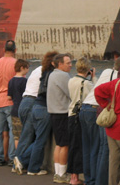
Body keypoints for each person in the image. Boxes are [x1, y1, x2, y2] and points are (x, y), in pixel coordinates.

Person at [79, 55, 120, 185]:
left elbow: (97, 87)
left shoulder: (107, 71)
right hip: (95, 109)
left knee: (88, 147)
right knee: (101, 147)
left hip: (84, 108)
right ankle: (99, 181)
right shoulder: (119, 77)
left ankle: (89, 179)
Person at [68, 57, 94, 185]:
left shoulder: (71, 81)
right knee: (79, 146)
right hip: (80, 116)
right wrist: (93, 78)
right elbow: (94, 95)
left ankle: (73, 175)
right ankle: (75, 178)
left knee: (73, 146)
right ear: (88, 69)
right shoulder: (87, 83)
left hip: (71, 114)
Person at [48, 53, 73, 184]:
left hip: (54, 113)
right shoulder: (63, 76)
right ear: (60, 64)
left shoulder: (52, 74)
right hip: (63, 113)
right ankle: (62, 174)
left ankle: (58, 172)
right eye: (68, 63)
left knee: (59, 144)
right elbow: (71, 93)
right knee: (65, 145)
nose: (70, 65)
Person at [7, 59, 29, 149]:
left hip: (14, 110)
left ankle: (17, 156)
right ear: (22, 68)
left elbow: (9, 97)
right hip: (22, 110)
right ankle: (21, 156)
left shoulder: (11, 81)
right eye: (27, 68)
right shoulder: (24, 81)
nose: (28, 70)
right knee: (23, 135)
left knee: (16, 136)